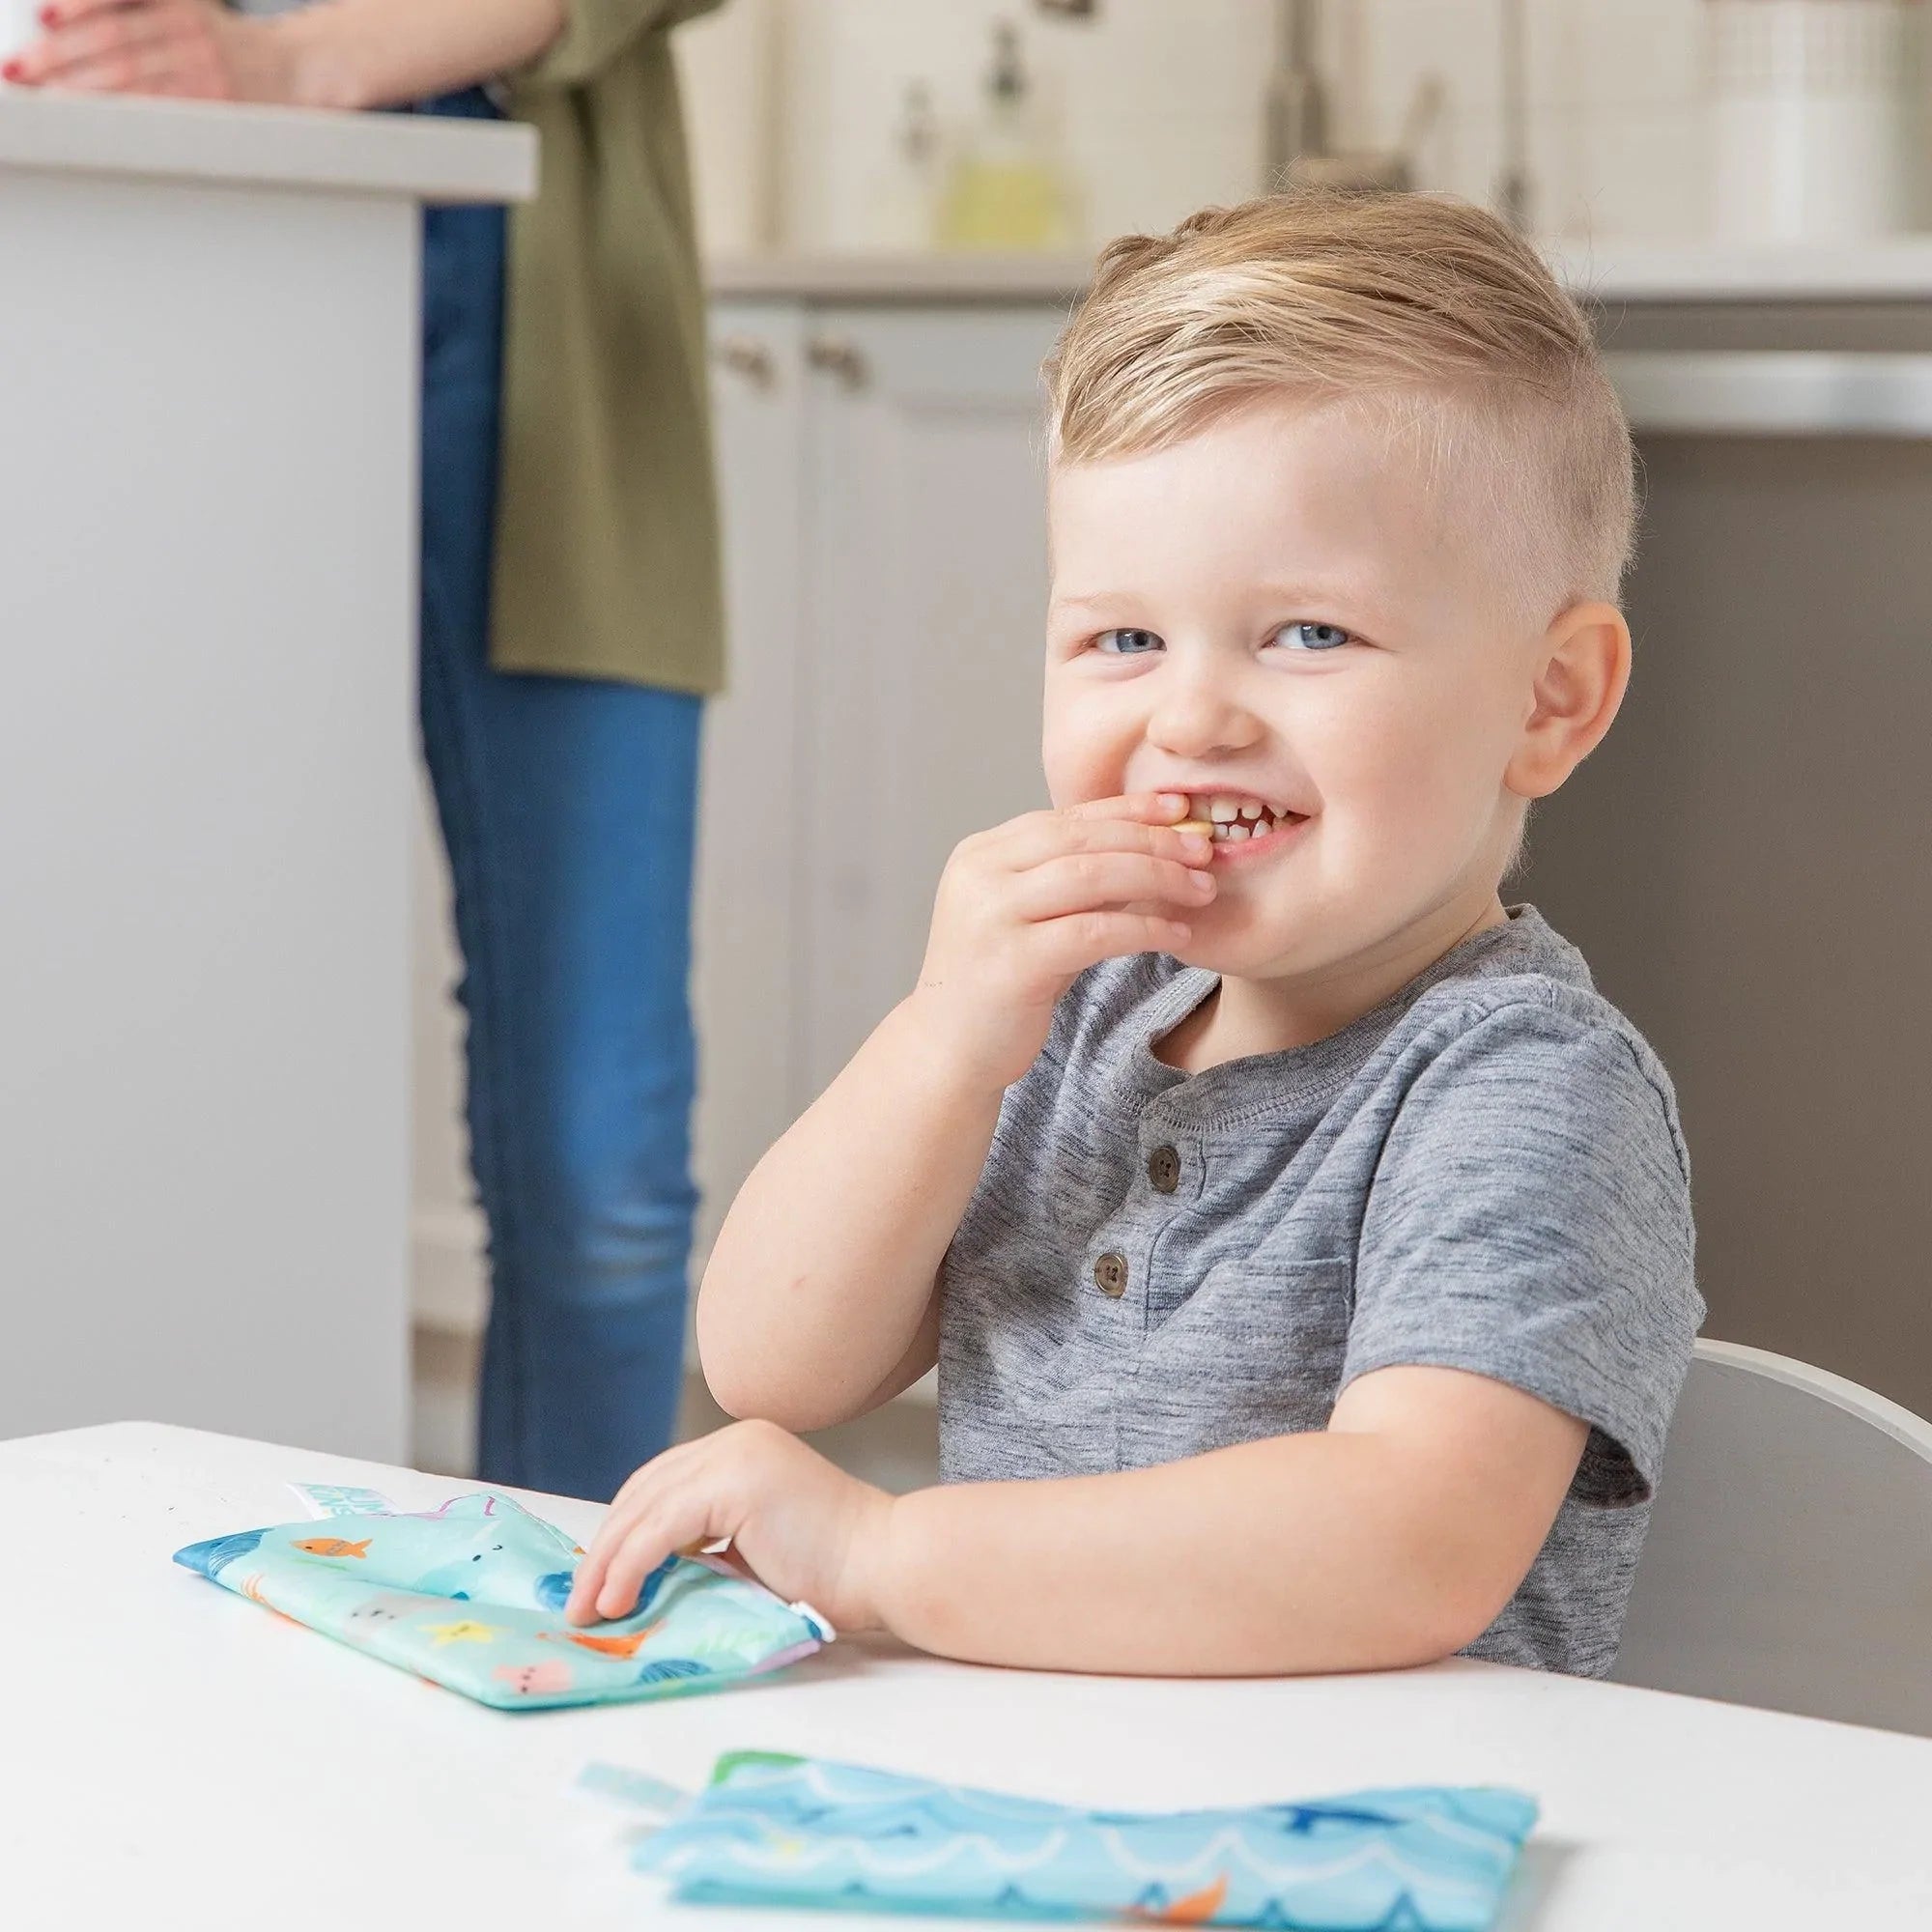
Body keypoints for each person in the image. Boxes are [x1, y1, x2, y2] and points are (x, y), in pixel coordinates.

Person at [565, 188, 1704, 1679]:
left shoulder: (1526, 1086)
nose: (1193, 717)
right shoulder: (1076, 1016)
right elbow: (773, 1364)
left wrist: (882, 1555)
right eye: (1125, 639)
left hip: (1364, 1811)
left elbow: (1409, 1543)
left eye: (1309, 633)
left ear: (1551, 701)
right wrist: (941, 1042)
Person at [9, 0, 728, 1501]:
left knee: (600, 1162)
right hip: (157, 246)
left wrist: (283, 62)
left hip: (543, 287)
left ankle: (582, 1596)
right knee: (153, 1066)